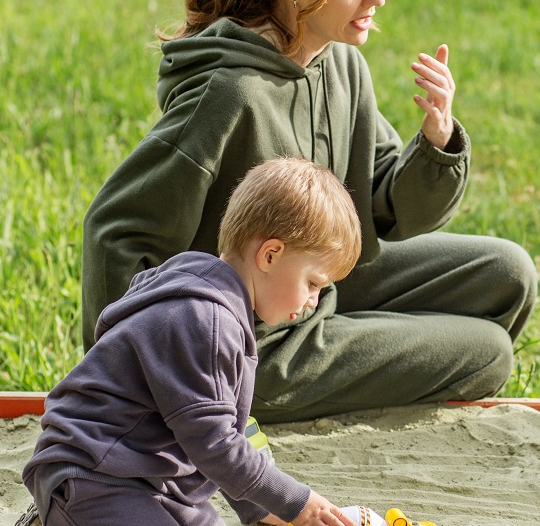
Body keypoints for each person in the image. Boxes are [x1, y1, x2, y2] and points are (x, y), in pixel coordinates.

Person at [80, 0, 537, 423]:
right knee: (488, 351)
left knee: (510, 274)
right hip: (254, 348)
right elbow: (113, 229)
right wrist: (128, 382)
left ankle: (348, 337)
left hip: (322, 283)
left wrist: (435, 142)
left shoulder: (340, 64)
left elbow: (386, 205)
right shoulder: (229, 95)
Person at [25, 158, 362, 526]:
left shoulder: (205, 293)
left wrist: (266, 511)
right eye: (312, 283)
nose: (313, 301)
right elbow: (217, 447)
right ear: (270, 255)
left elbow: (228, 434)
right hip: (97, 474)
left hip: (158, 480)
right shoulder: (208, 321)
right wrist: (300, 503)